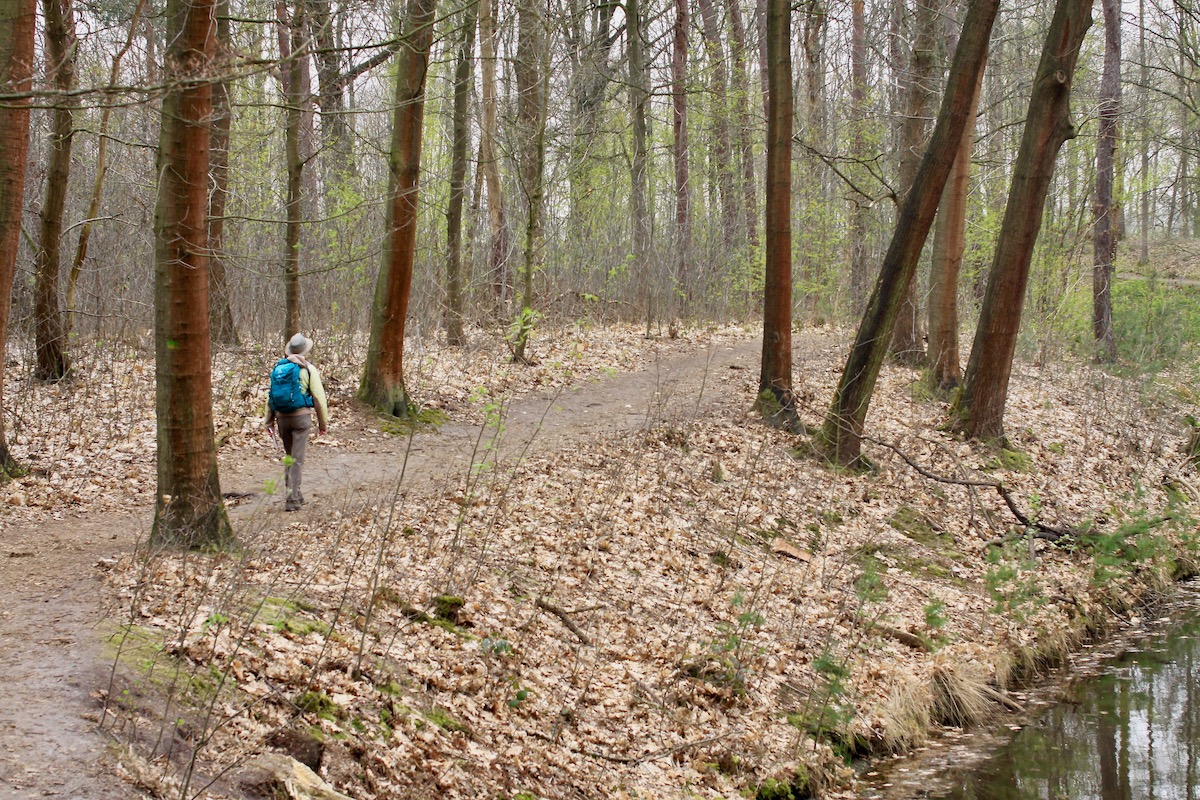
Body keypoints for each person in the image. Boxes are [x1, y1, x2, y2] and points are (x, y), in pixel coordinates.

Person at [265, 333, 329, 511]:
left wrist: (268, 421)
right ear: (304, 351)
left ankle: (295, 494)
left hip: (282, 418)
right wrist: (323, 424)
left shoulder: (278, 370)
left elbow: (271, 397)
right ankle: (292, 499)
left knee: (289, 457)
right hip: (301, 418)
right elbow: (319, 399)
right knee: (297, 459)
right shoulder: (308, 369)